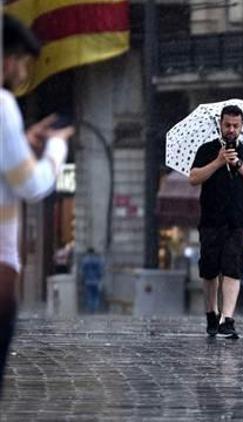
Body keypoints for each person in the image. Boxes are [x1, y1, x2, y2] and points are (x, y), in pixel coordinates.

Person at [1, 14, 74, 395]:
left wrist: (23, 139)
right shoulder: (2, 105)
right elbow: (32, 186)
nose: (24, 71)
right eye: (23, 62)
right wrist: (56, 148)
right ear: (9, 59)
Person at [189, 105, 243, 339]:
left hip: (238, 221)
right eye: (227, 125)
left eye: (235, 126)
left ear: (242, 127)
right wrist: (218, 162)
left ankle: (228, 318)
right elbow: (193, 178)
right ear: (220, 125)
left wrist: (239, 164)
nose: (231, 129)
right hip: (211, 220)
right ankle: (211, 314)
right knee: (210, 270)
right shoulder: (207, 150)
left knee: (233, 268)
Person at [80, 248, 105, 313]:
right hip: (96, 280)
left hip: (88, 280)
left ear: (88, 252)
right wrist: (100, 278)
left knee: (89, 295)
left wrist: (82, 279)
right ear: (93, 252)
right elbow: (100, 271)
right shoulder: (98, 260)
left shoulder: (85, 260)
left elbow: (82, 271)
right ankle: (95, 308)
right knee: (96, 295)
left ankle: (90, 308)